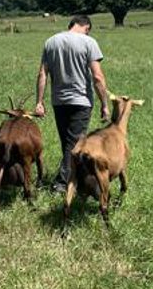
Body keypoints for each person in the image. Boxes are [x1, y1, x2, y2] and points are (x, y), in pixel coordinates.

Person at [34, 14, 109, 193]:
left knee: (67, 143)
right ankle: (63, 184)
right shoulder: (88, 42)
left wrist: (39, 101)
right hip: (81, 101)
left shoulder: (51, 42)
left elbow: (43, 74)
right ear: (86, 27)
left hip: (58, 101)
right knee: (75, 144)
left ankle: (74, 178)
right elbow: (97, 77)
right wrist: (104, 104)